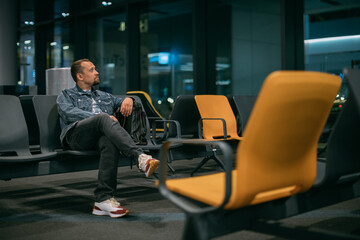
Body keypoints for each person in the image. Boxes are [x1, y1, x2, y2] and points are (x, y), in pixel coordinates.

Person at [57, 59, 159, 218]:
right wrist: (99, 117)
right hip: (76, 137)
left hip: (97, 139)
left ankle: (103, 200)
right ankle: (140, 156)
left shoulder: (104, 96)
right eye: (92, 69)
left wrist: (128, 99)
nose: (97, 72)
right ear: (80, 76)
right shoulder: (66, 95)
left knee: (108, 141)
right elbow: (68, 113)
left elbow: (125, 101)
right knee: (103, 118)